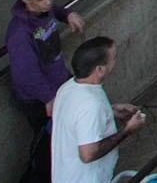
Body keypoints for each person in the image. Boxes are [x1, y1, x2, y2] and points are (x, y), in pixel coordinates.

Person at [7, 0, 84, 183]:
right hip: (40, 99)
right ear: (26, 1)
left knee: (65, 139)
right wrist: (48, 98)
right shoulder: (19, 34)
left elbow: (54, 10)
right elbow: (26, 73)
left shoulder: (45, 12)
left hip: (59, 85)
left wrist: (67, 14)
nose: (47, 2)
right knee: (49, 146)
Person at [50, 37, 142, 183]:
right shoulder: (91, 104)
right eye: (114, 59)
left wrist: (111, 111)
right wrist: (128, 130)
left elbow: (76, 119)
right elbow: (88, 154)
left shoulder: (67, 88)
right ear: (99, 69)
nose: (115, 62)